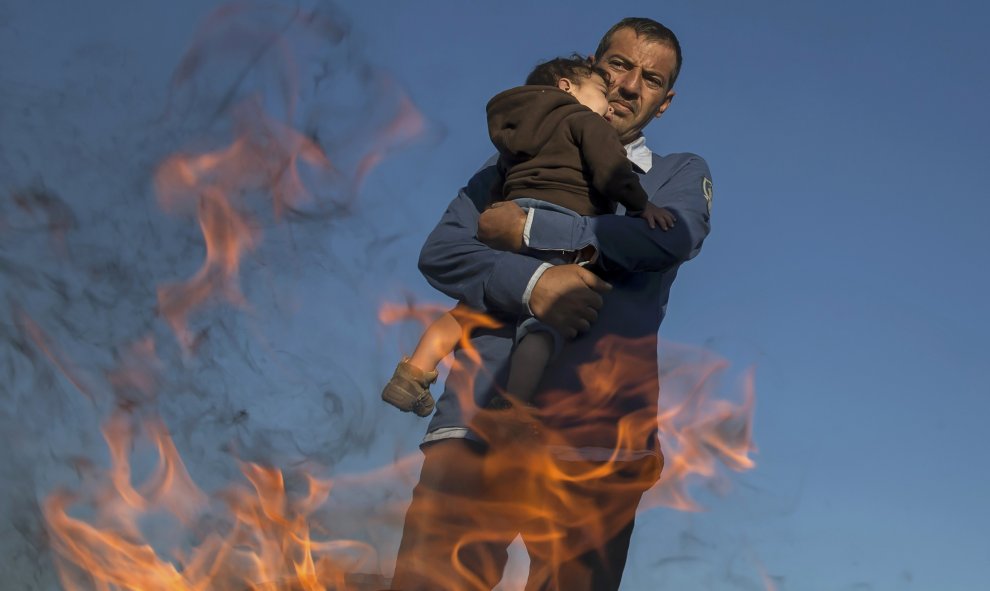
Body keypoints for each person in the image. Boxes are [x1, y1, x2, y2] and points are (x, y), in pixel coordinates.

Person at [391, 17, 713, 591]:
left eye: (652, 79)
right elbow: (442, 252)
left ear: (664, 102)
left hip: (599, 442)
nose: (629, 86)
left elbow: (669, 239)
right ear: (592, 67)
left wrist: (532, 226)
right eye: (618, 65)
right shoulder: (508, 165)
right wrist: (533, 281)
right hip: (476, 426)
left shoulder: (674, 174)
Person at [380, 56, 674, 419]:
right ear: (567, 88)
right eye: (601, 91)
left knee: (468, 313)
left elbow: (498, 181)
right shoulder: (583, 120)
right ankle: (516, 406)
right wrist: (641, 204)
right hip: (558, 221)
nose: (609, 99)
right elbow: (611, 170)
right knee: (543, 324)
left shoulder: (517, 134)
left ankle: (412, 373)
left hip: (510, 216)